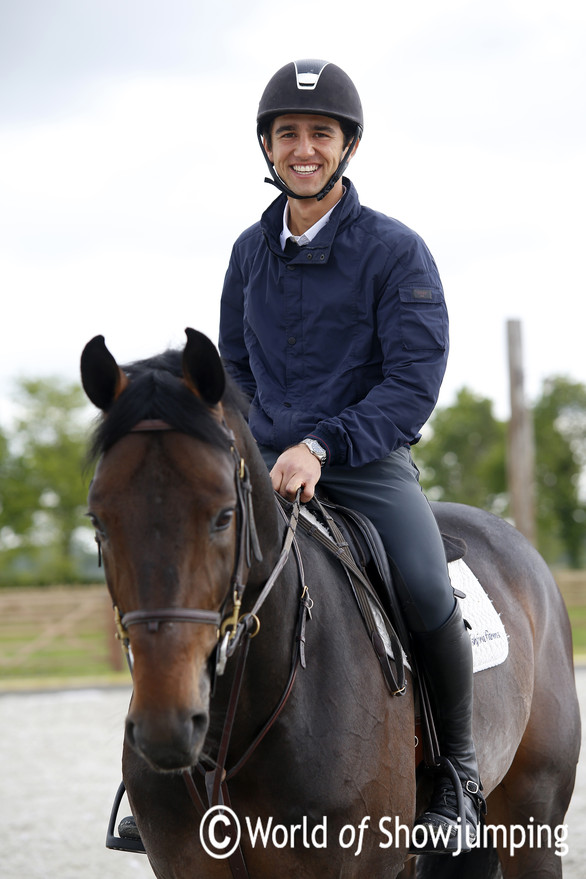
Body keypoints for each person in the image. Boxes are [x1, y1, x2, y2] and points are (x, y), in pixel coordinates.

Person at [219, 59, 485, 853]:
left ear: (348, 147)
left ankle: (459, 774)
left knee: (425, 588)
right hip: (265, 464)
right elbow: (234, 362)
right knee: (189, 582)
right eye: (288, 134)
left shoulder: (396, 251)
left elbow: (413, 382)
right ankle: (174, 772)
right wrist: (257, 437)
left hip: (364, 463)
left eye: (320, 134)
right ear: (267, 146)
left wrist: (322, 443)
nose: (304, 148)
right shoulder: (246, 252)